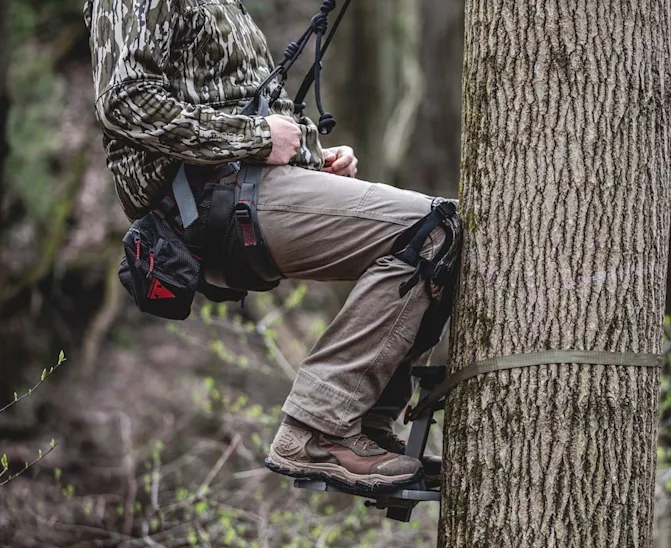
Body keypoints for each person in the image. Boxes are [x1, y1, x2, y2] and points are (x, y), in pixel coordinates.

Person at [84, 0, 460, 491]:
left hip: (243, 188)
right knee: (432, 228)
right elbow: (124, 102)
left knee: (444, 232)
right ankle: (318, 430)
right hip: (205, 203)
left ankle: (363, 430)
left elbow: (223, 98)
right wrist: (257, 136)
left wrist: (312, 159)